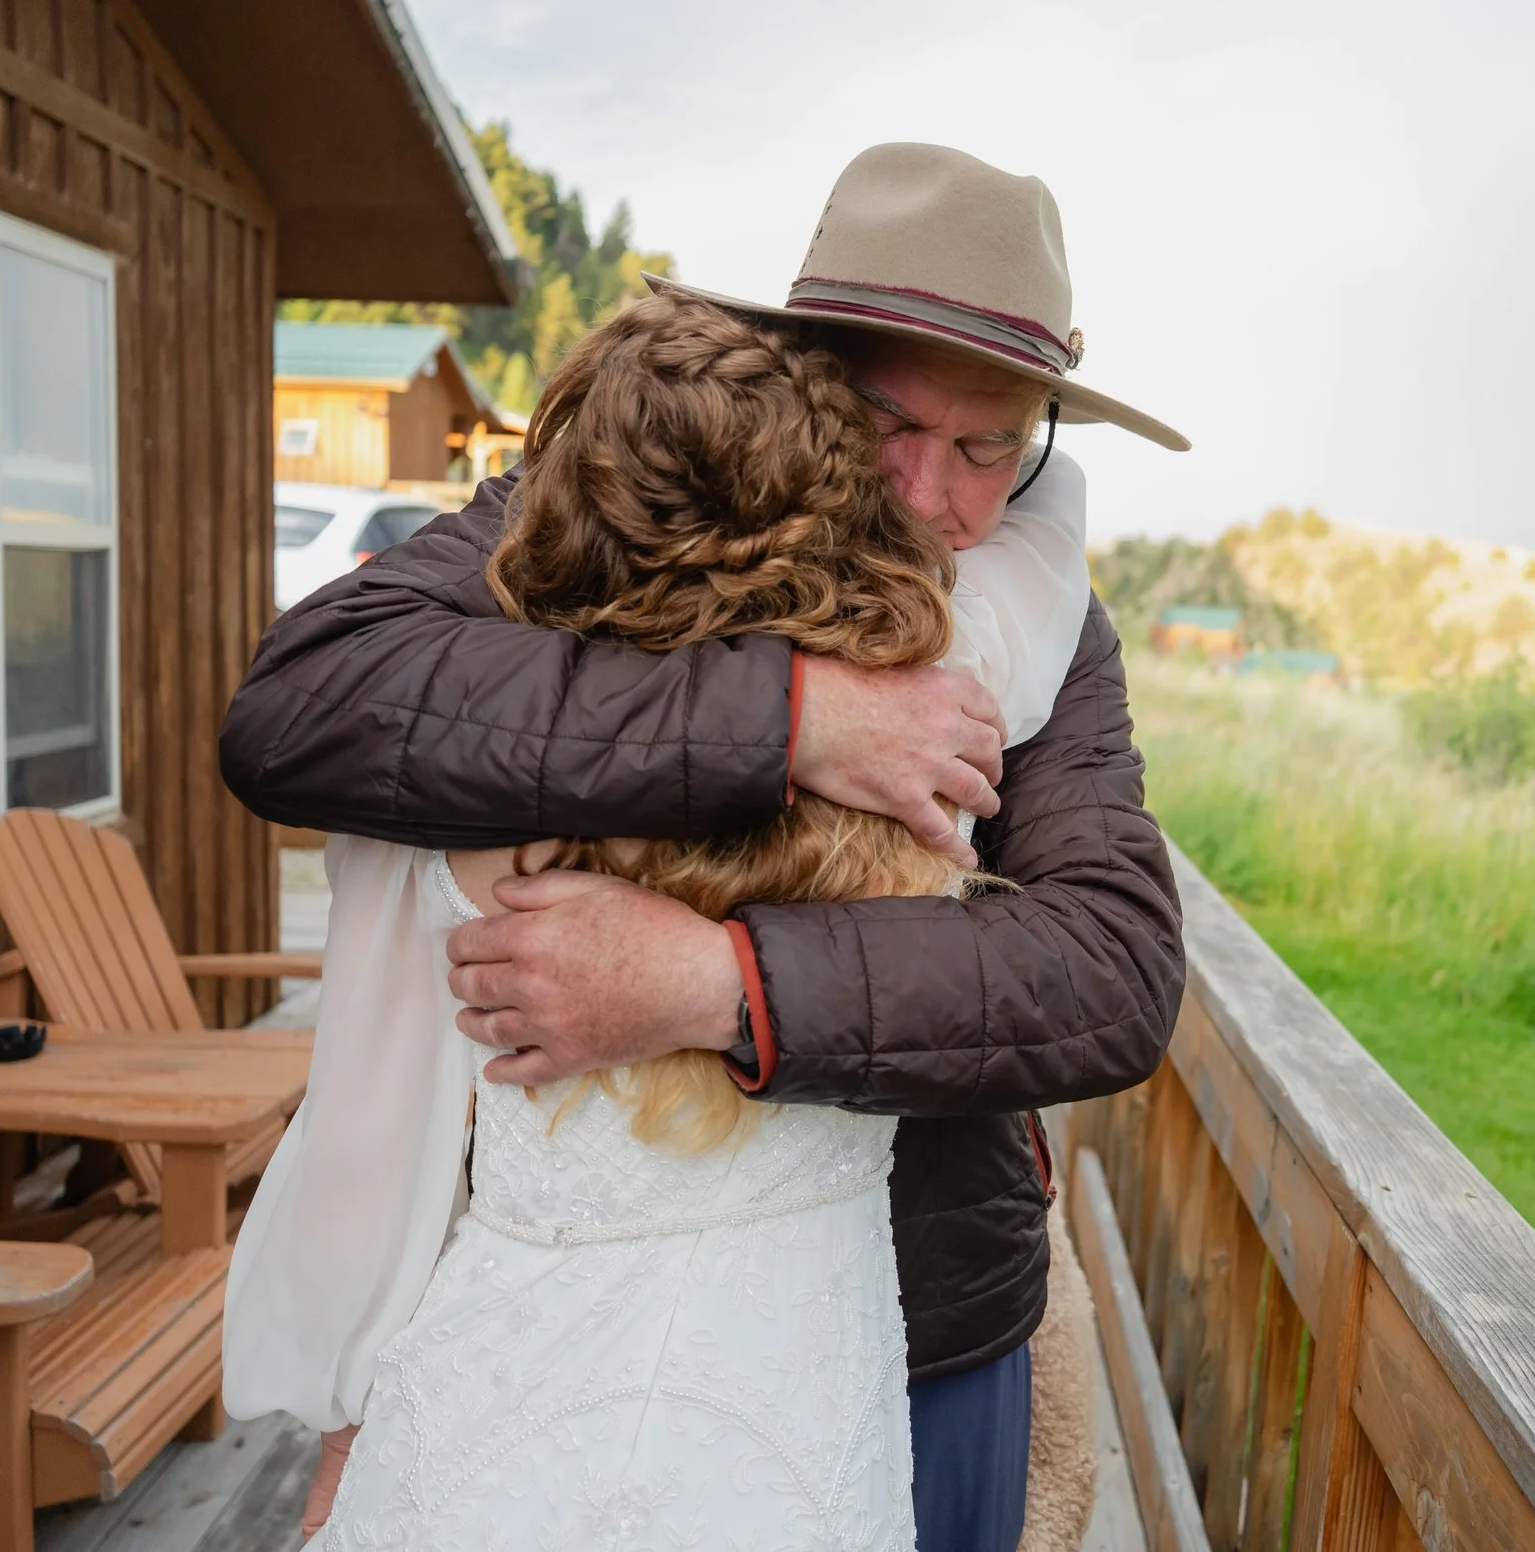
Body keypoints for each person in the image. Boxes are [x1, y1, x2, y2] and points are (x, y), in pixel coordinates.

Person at [218, 143, 1189, 1550]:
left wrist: (717, 980)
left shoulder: (1049, 626)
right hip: (552, 1327)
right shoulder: (611, 516)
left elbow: (1108, 967)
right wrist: (791, 715)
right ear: (808, 380)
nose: (931, 494)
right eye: (890, 425)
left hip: (930, 1322)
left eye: (991, 448)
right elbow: (303, 710)